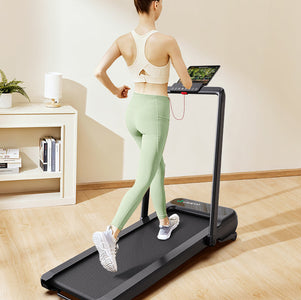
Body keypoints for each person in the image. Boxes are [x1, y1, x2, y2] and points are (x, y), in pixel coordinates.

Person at [92, 0, 192, 272]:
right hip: (155, 114)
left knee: (158, 166)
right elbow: (187, 81)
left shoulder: (123, 40)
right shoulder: (167, 40)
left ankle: (163, 222)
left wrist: (115, 91)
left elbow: (98, 71)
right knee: (145, 176)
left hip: (133, 111)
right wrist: (186, 77)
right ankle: (111, 234)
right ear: (156, 4)